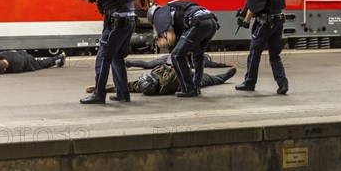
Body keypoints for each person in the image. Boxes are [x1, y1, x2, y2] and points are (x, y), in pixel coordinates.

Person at [64, 0, 136, 104]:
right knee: (117, 57)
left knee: (103, 58)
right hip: (129, 20)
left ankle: (99, 94)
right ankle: (123, 93)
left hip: (117, 23)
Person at [147, 0, 219, 97]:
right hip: (211, 21)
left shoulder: (159, 16)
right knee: (198, 54)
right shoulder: (171, 8)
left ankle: (188, 89)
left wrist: (164, 41)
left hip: (198, 24)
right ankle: (196, 86)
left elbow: (171, 39)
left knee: (176, 55)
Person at [235, 0, 289, 94]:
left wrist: (246, 22)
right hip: (278, 21)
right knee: (275, 55)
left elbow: (251, 9)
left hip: (264, 24)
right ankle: (283, 84)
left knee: (254, 54)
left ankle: (249, 83)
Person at [86, 61, 237, 96]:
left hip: (178, 72)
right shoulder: (168, 81)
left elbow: (128, 85)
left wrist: (101, 87)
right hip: (188, 78)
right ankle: (225, 76)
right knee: (212, 79)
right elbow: (179, 68)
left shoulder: (145, 86)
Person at [0, 50, 66, 74]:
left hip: (29, 61)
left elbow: (21, 69)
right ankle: (59, 60)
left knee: (42, 64)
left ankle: (60, 57)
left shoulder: (16, 66)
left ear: (4, 70)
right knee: (41, 61)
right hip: (21, 54)